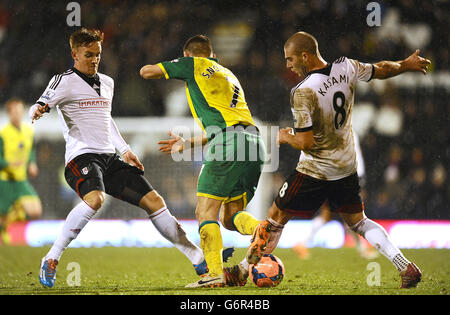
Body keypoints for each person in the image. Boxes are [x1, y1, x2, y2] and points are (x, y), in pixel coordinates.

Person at [226, 31, 430, 289]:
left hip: (315, 169)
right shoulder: (347, 66)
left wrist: (286, 136)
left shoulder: (302, 91)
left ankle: (243, 270)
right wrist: (405, 65)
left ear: (305, 56)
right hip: (346, 166)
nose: (288, 66)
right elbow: (380, 69)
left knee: (275, 217)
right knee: (359, 222)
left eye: (290, 60)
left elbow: (306, 143)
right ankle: (405, 266)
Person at [31, 28, 215, 288]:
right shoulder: (63, 81)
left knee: (155, 201)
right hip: (81, 157)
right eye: (88, 54)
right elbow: (41, 103)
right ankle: (52, 257)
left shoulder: (107, 82)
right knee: (95, 199)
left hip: (109, 157)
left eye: (98, 54)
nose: (94, 59)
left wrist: (126, 150)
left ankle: (197, 257)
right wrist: (37, 110)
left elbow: (107, 121)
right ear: (74, 54)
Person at [140, 35, 266, 287]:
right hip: (254, 144)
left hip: (228, 144)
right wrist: (188, 143)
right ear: (214, 55)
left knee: (205, 211)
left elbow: (146, 72)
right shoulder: (228, 74)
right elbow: (224, 124)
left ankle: (215, 273)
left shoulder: (193, 64)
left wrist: (178, 66)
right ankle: (260, 229)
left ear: (188, 55)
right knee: (230, 217)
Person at [293, 131, 379, 260]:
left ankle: (302, 243)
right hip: (346, 178)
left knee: (335, 215)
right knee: (349, 215)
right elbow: (354, 158)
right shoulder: (346, 131)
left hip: (333, 177)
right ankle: (362, 249)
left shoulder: (333, 130)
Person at [0, 98, 42, 244]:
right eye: (14, 112)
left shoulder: (28, 130)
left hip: (21, 180)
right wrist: (8, 164)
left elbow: (30, 149)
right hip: (5, 180)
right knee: (2, 215)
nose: (17, 114)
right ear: (9, 114)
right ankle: (4, 229)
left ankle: (15, 211)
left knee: (36, 210)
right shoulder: (3, 133)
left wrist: (32, 163)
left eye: (20, 111)